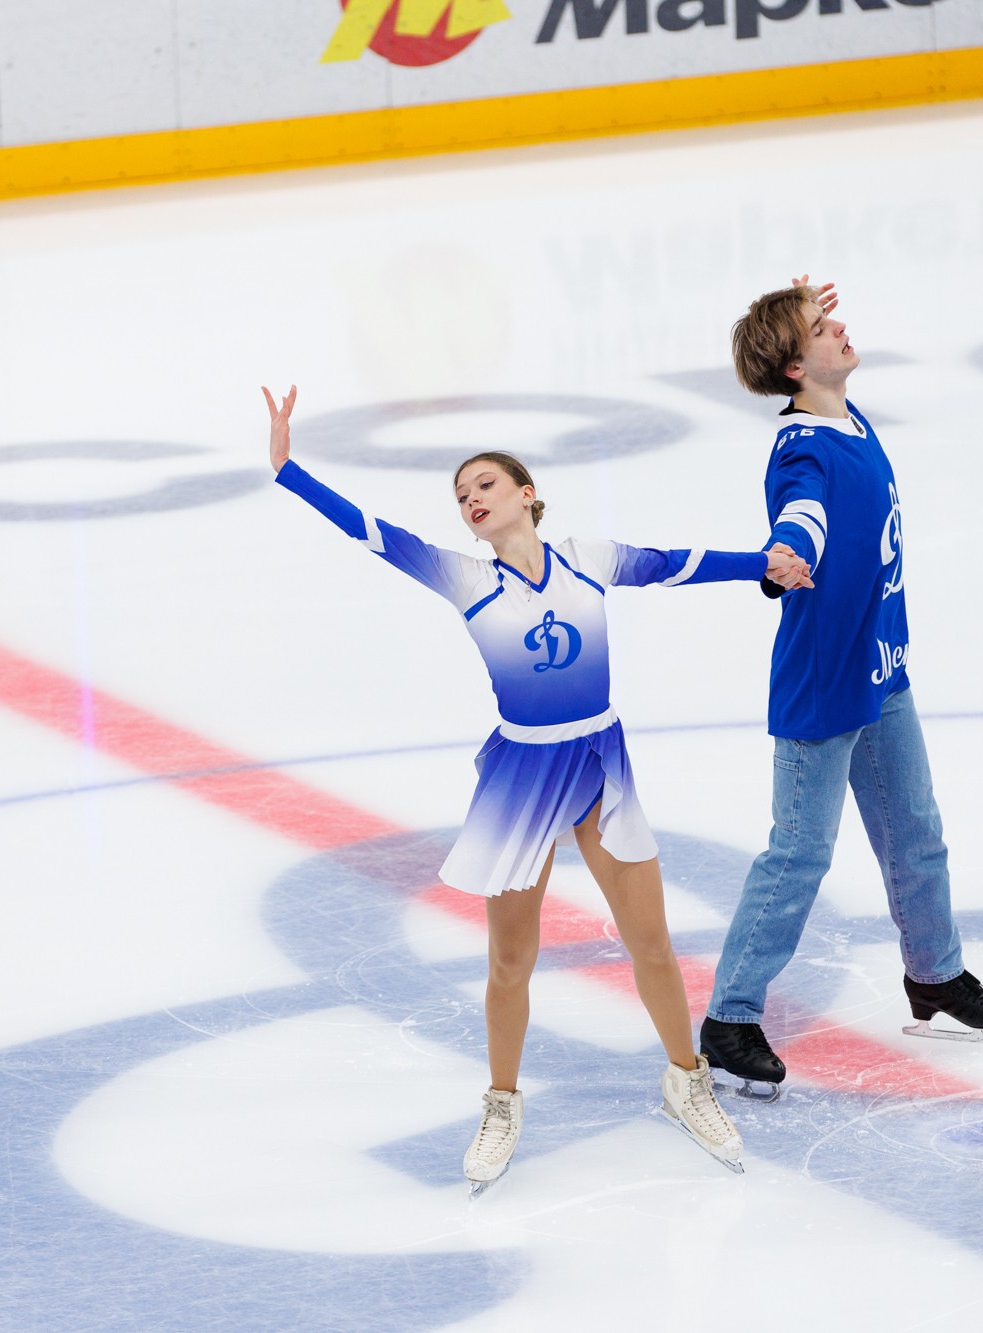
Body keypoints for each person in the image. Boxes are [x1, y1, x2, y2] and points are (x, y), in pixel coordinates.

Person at [263, 385, 811, 1190]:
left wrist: (760, 564)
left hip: (599, 763)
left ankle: (684, 1079)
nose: (471, 499)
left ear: (526, 493)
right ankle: (501, 1103)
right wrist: (289, 470)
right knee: (510, 960)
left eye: (484, 484)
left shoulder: (588, 558)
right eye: (461, 496)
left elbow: (673, 564)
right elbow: (373, 533)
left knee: (651, 941)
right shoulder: (461, 577)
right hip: (521, 777)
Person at [698, 280, 983, 1101]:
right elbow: (801, 511)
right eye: (820, 327)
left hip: (880, 667)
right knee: (798, 854)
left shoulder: (848, 418)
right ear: (793, 366)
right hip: (823, 684)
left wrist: (793, 305)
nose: (839, 327)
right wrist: (786, 552)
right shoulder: (802, 450)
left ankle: (934, 974)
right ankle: (729, 1016)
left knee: (915, 829)